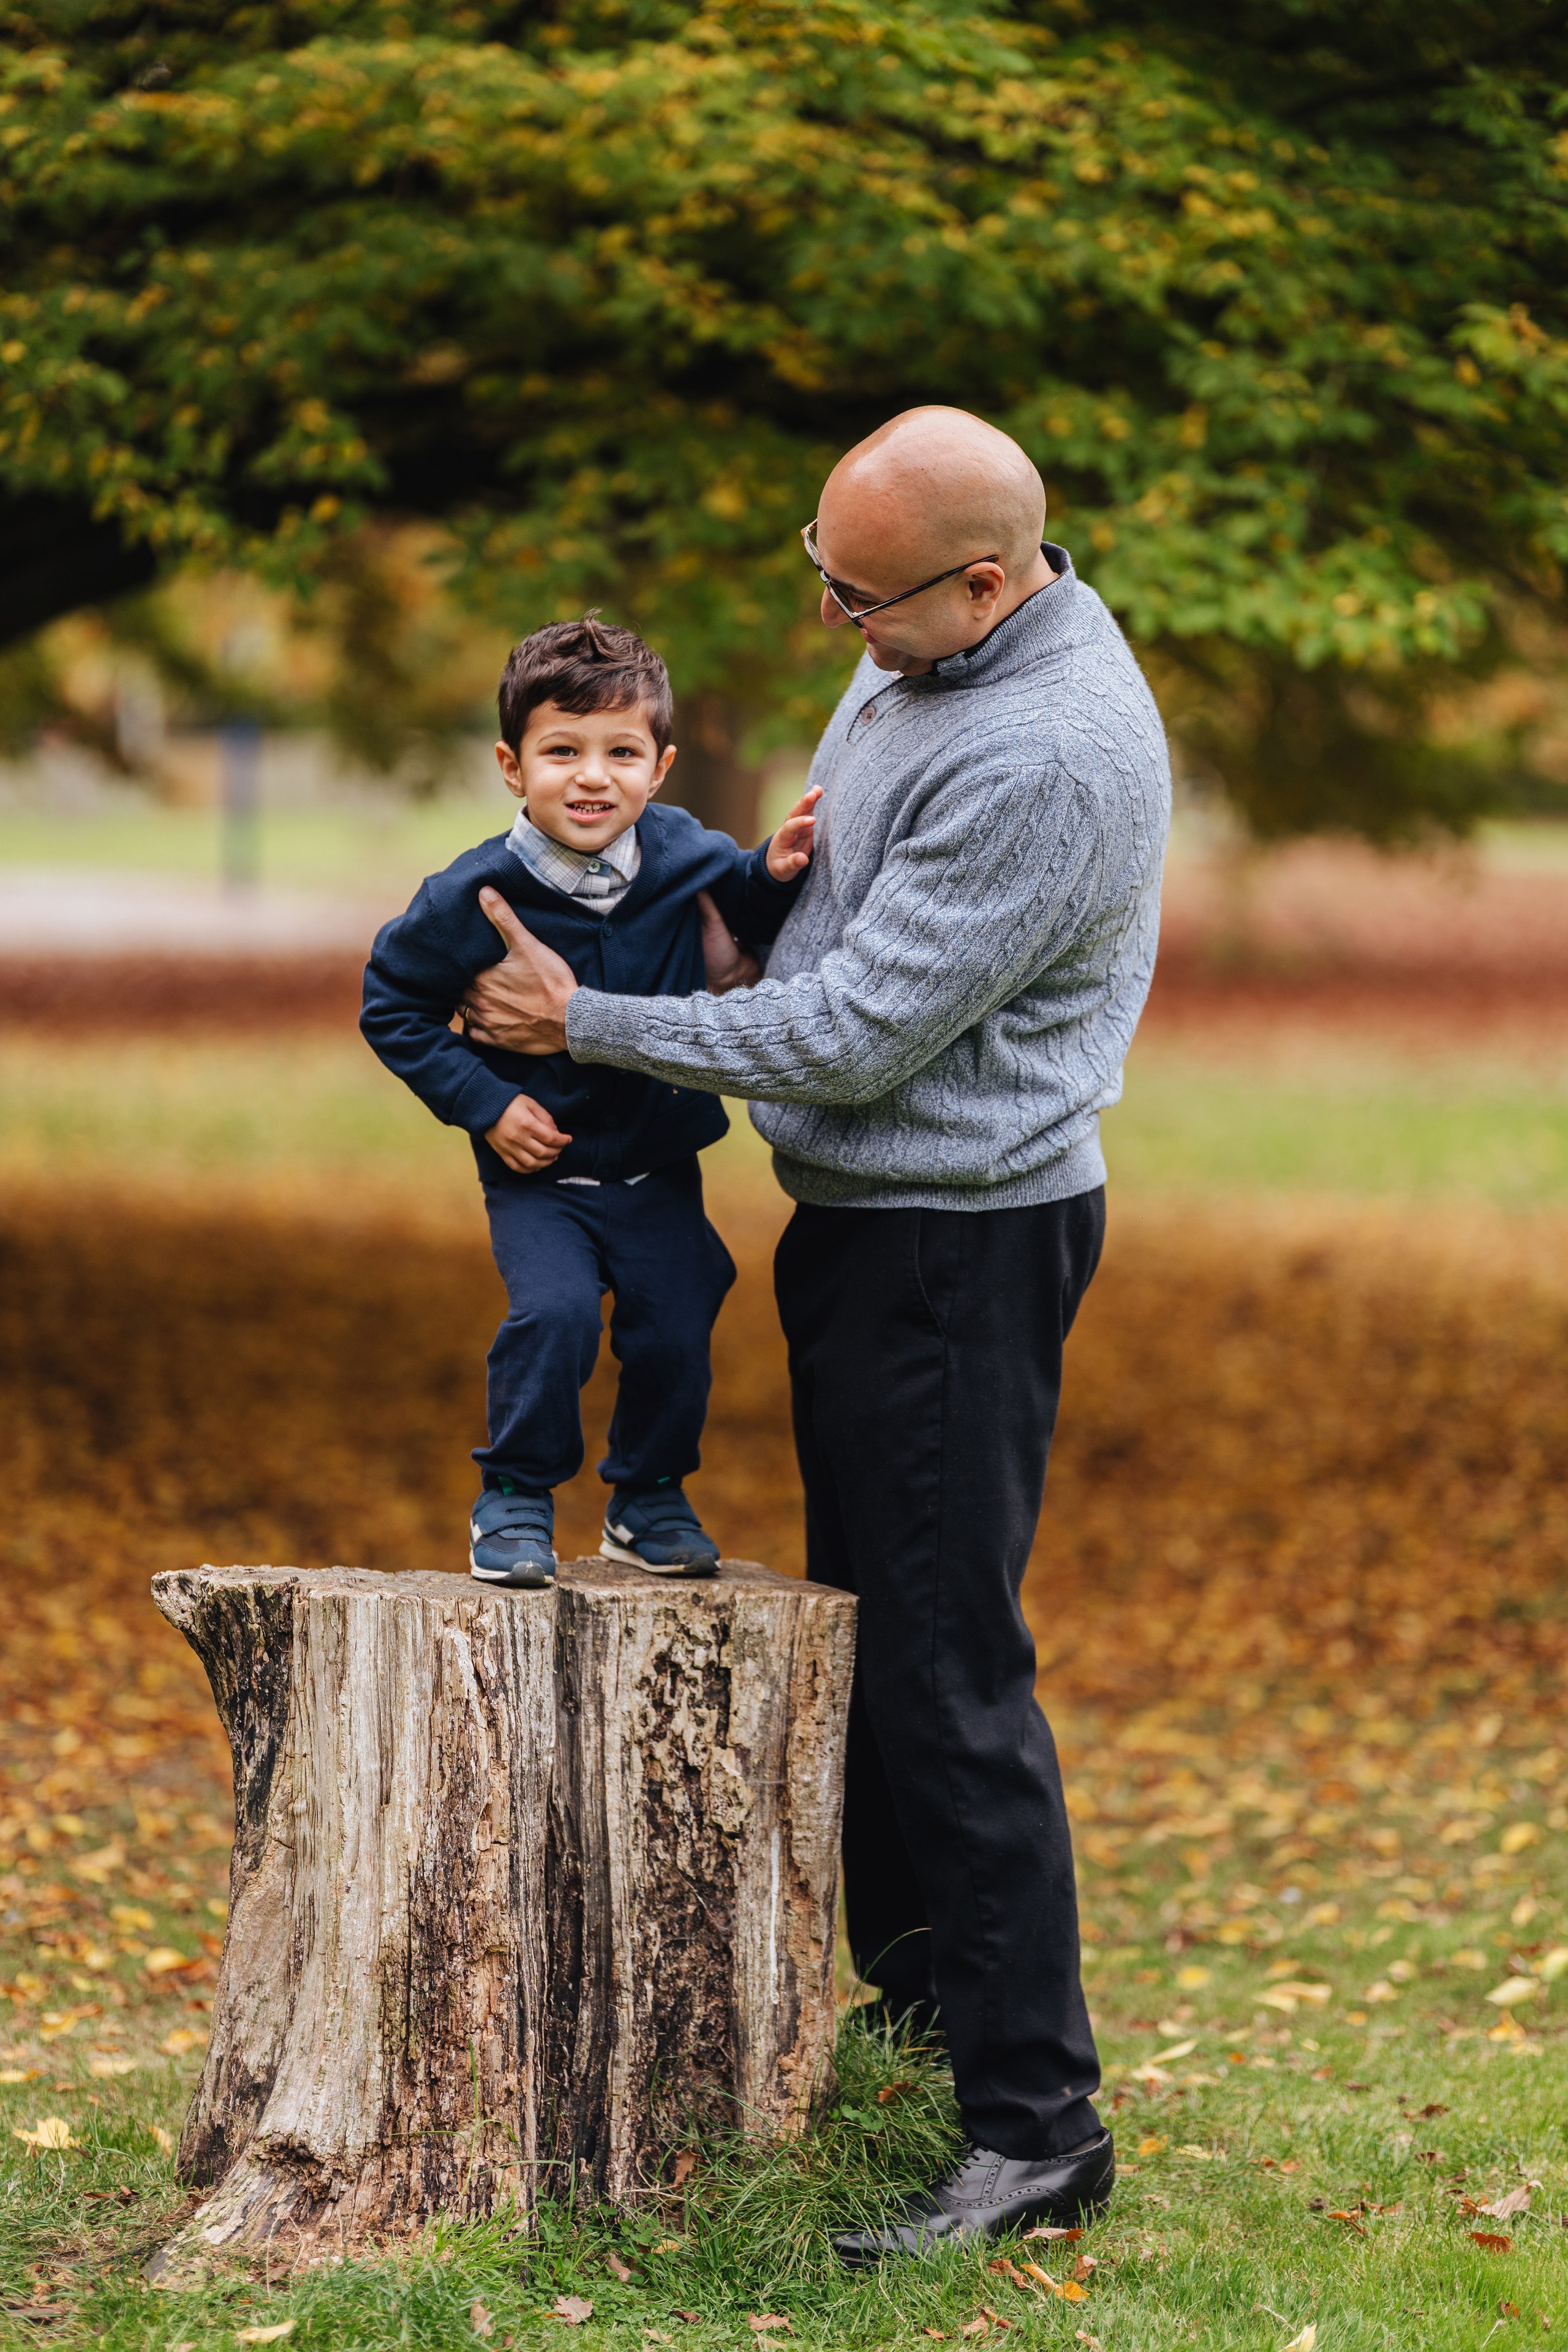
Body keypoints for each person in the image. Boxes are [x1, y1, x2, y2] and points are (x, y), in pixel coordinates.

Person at [458, 408, 1172, 2255]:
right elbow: (817, 935)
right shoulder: (925, 664)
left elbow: (856, 1036)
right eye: (826, 576)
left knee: (949, 1677)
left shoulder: (1045, 753)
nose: (840, 624)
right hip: (870, 1229)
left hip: (963, 1245)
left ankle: (1037, 2128)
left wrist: (589, 1030)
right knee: (879, 1640)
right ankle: (929, 2001)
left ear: (990, 581)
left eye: (865, 598)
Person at [360, 616, 818, 1587]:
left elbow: (737, 903)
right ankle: (515, 1494)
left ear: (660, 767)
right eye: (561, 750)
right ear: (512, 765)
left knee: (680, 1313)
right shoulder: (473, 895)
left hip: (659, 1165)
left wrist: (773, 875)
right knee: (556, 1315)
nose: (593, 776)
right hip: (543, 1173)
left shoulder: (683, 850)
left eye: (622, 752)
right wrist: (484, 1104)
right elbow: (390, 1004)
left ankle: (647, 1495)